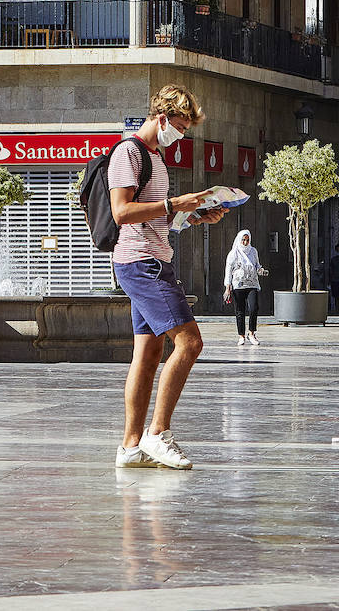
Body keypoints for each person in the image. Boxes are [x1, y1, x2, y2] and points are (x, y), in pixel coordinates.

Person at [110, 84, 226, 471]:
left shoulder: (155, 159)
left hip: (152, 258)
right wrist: (174, 203)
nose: (180, 134)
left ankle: (130, 447)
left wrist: (192, 216)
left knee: (148, 354)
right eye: (178, 125)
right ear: (161, 117)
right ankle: (157, 434)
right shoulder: (129, 152)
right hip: (141, 264)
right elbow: (122, 212)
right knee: (190, 343)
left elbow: (156, 217)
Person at [223, 230, 266, 346]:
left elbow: (257, 265)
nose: (245, 242)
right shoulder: (234, 253)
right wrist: (228, 287)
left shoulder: (253, 251)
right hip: (238, 285)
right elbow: (228, 271)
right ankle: (241, 335)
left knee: (254, 308)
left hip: (252, 283)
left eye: (247, 240)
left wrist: (261, 270)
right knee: (240, 310)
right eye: (243, 240)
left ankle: (251, 333)